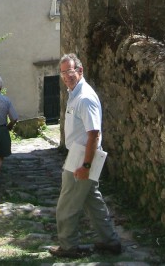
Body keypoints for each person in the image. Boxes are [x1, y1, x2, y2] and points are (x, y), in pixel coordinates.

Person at [49, 53, 122, 259]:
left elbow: (94, 134)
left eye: (70, 72)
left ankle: (68, 246)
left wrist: (86, 165)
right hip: (81, 155)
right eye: (63, 73)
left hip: (82, 158)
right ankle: (110, 241)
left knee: (66, 205)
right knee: (93, 201)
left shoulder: (85, 98)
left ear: (80, 71)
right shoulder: (74, 93)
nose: (66, 76)